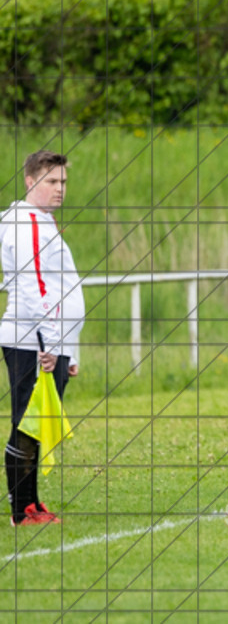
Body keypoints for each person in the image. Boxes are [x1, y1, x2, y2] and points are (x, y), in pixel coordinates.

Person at [0, 150, 85, 525]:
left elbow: (60, 288)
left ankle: (32, 503)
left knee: (39, 422)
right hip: (31, 340)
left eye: (63, 182)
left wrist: (69, 348)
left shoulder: (41, 222)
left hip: (47, 341)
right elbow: (34, 289)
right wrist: (50, 346)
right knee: (28, 423)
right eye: (51, 181)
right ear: (30, 182)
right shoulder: (27, 223)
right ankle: (22, 510)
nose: (59, 189)